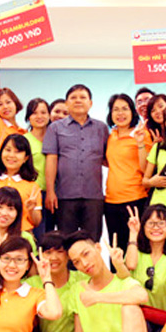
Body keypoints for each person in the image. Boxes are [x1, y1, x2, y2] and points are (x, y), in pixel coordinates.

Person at [44, 84, 109, 239]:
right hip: (65, 195)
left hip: (94, 195)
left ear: (90, 103)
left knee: (92, 241)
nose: (78, 100)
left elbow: (109, 158)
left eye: (82, 97)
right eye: (73, 97)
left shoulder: (101, 128)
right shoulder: (55, 128)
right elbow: (51, 160)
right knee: (66, 241)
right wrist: (50, 191)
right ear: (67, 103)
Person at [25, 231, 88, 332]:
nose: (54, 257)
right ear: (40, 255)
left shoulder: (82, 280)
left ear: (68, 256)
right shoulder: (32, 284)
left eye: (59, 252)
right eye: (48, 252)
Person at [104, 94, 151, 253]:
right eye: (116, 109)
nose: (120, 113)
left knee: (137, 249)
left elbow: (146, 169)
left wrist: (140, 143)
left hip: (135, 199)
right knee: (116, 250)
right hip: (111, 202)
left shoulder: (141, 134)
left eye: (125, 109)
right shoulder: (111, 136)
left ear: (132, 112)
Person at [124, 204, 166, 319]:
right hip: (139, 316)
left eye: (161, 223)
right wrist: (133, 233)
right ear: (143, 227)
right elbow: (131, 265)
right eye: (150, 223)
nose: (156, 227)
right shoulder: (135, 251)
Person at [0, 134, 42, 232]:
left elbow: (36, 222)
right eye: (8, 150)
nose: (11, 155)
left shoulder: (32, 187)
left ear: (25, 158)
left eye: (17, 152)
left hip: (21, 236)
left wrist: (31, 210)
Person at [23, 98, 52, 239]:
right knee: (37, 237)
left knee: (53, 239)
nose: (39, 116)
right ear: (28, 117)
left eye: (43, 112)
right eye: (34, 113)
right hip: (33, 196)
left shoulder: (55, 138)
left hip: (55, 195)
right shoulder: (24, 140)